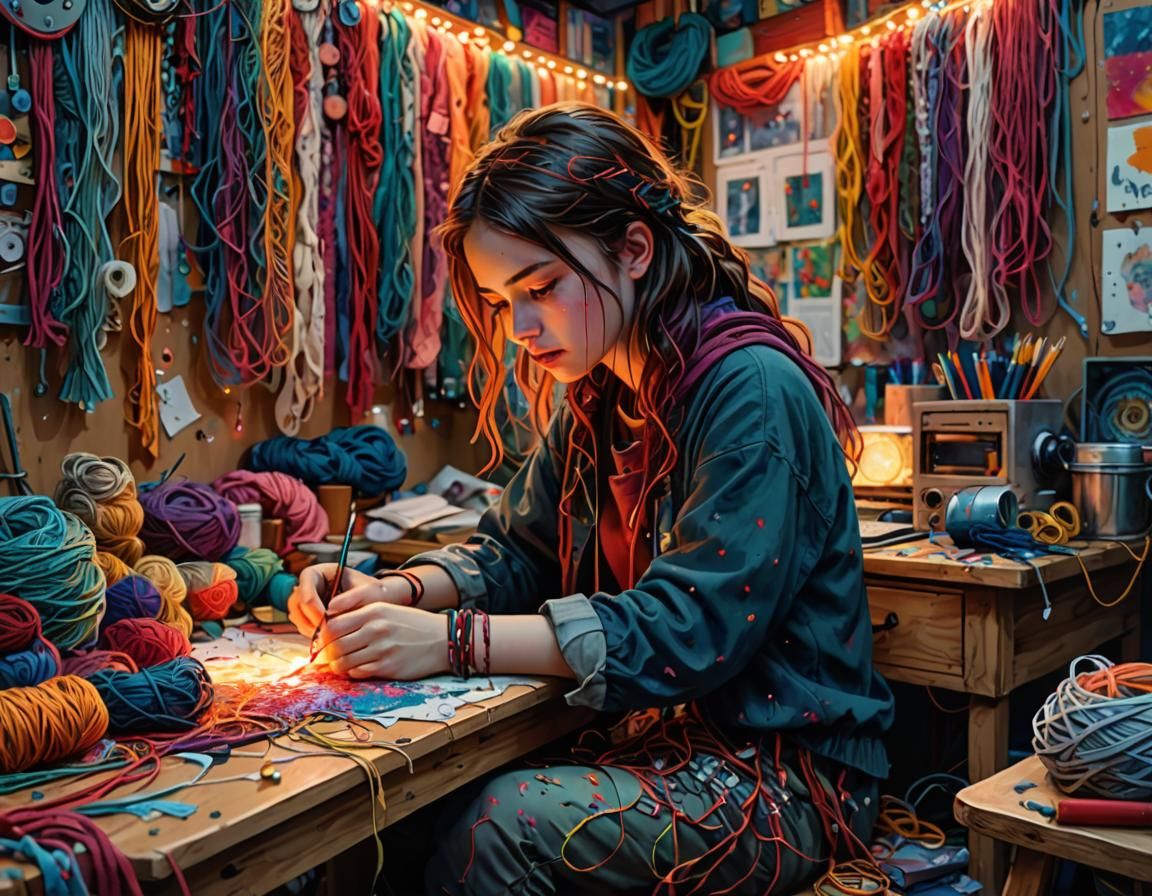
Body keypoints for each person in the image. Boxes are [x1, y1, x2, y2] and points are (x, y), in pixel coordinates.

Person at [289, 102, 894, 895]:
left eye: (540, 287)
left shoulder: (753, 391)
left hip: (782, 779)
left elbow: (688, 628)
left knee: (501, 826)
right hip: (659, 740)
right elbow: (517, 549)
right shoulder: (605, 392)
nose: (522, 328)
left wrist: (448, 642)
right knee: (388, 806)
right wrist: (392, 595)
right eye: (504, 303)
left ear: (634, 249)